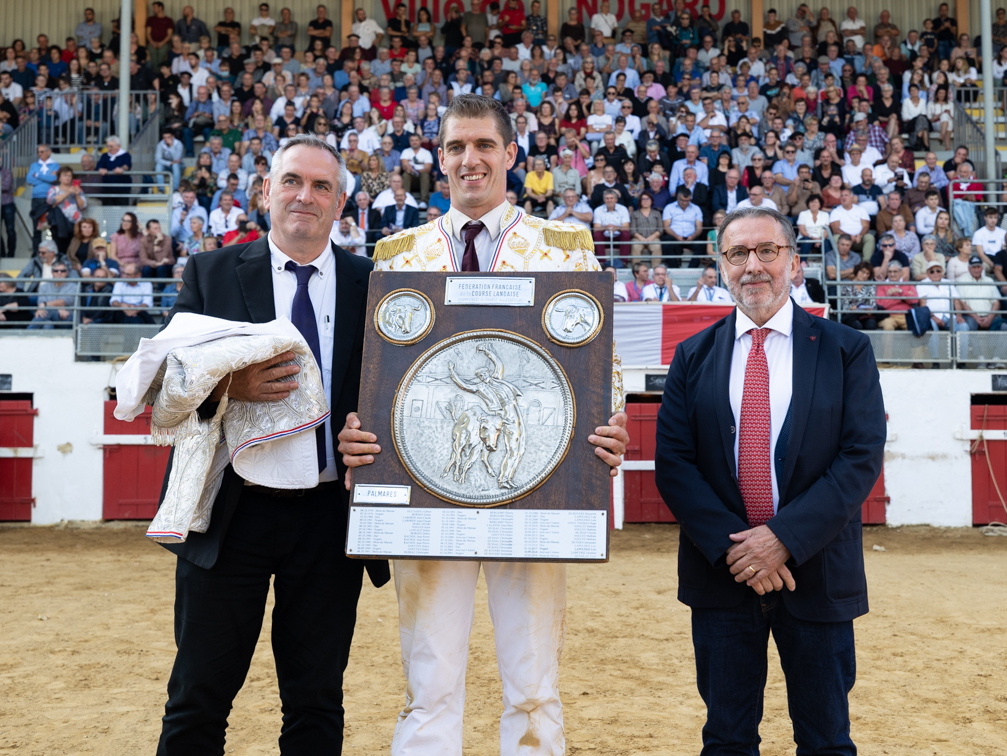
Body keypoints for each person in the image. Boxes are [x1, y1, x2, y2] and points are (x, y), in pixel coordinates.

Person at [339, 93, 628, 756]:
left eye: (483, 146)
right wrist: (357, 429)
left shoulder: (563, 248)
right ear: (439, 160)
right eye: (455, 148)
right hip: (426, 486)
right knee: (428, 677)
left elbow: (600, 364)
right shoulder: (400, 254)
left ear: (511, 155)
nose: (470, 160)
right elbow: (374, 373)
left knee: (533, 679)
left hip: (537, 482)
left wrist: (610, 425)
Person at [155, 134, 390, 754]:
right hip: (233, 511)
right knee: (198, 696)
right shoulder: (210, 273)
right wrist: (228, 386)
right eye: (291, 181)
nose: (304, 196)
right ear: (266, 191)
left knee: (316, 702)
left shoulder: (376, 286)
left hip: (328, 517)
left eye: (321, 186)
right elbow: (163, 389)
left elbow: (399, 398)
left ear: (342, 204)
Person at [654, 205, 884, 756]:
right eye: (737, 254)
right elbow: (675, 465)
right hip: (722, 575)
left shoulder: (846, 349)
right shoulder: (692, 356)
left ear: (793, 262)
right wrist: (741, 550)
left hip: (817, 571)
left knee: (827, 740)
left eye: (766, 251)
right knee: (727, 739)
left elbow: (860, 457)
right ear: (721, 266)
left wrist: (781, 539)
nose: (752, 265)